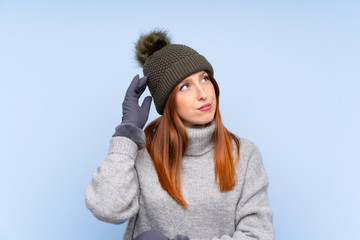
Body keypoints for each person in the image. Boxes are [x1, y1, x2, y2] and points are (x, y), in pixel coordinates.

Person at [86, 30, 274, 240]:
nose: (203, 94)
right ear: (167, 101)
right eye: (185, 86)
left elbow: (258, 235)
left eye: (204, 79)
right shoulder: (141, 153)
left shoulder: (244, 154)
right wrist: (127, 134)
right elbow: (107, 208)